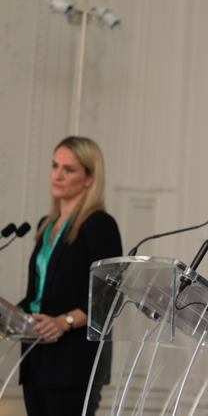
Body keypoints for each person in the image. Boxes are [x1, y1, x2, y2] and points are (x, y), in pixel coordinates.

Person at [18, 136, 122, 416]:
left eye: (69, 169)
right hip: (36, 354)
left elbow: (110, 294)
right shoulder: (46, 225)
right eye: (55, 166)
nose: (58, 175)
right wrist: (11, 315)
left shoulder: (99, 224)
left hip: (72, 360)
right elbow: (38, 295)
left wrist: (64, 322)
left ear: (89, 178)